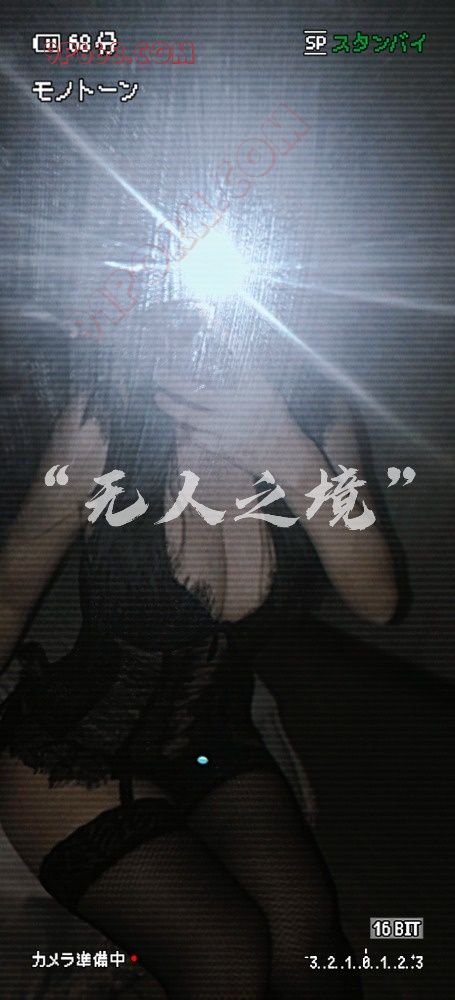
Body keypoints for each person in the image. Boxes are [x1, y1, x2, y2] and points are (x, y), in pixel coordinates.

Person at [0, 302, 399, 999]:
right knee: (225, 955)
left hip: (217, 743)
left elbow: (379, 600)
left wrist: (283, 446)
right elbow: (10, 595)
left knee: (309, 954)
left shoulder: (319, 419)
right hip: (73, 749)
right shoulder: (102, 424)